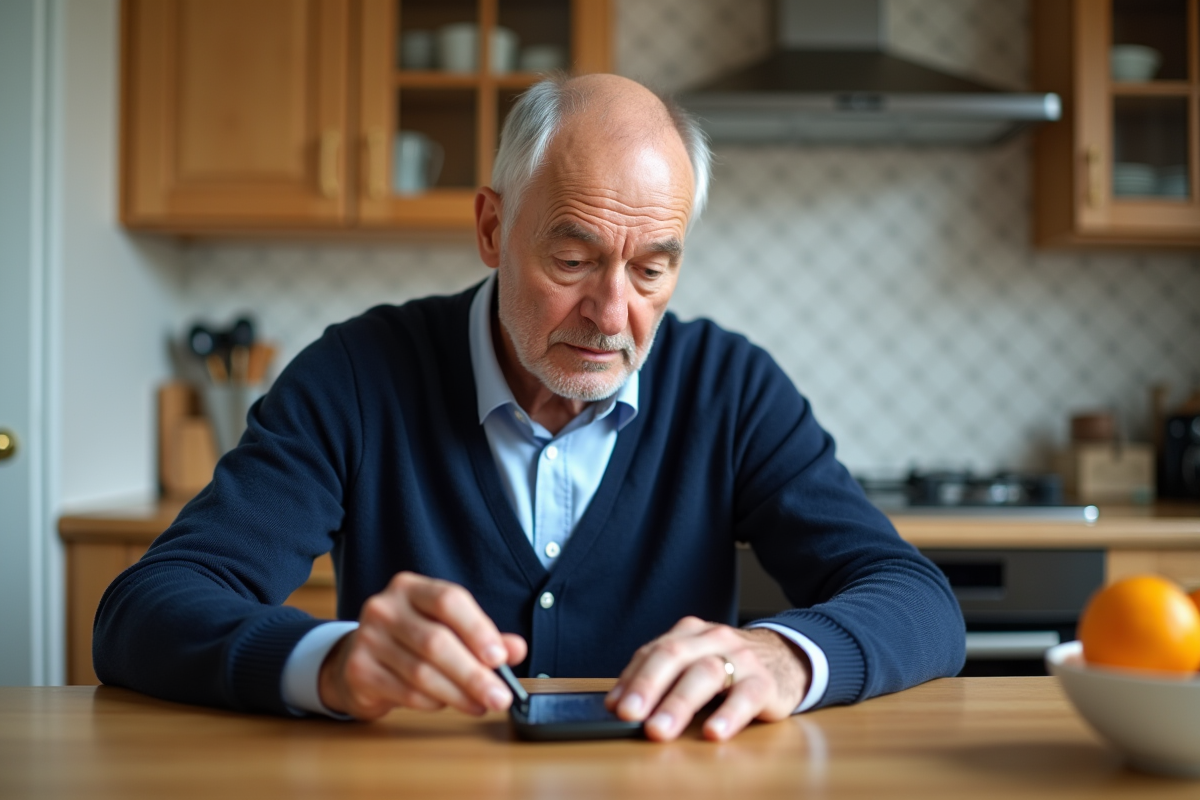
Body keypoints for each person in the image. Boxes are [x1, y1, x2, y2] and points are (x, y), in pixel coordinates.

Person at [94, 74, 964, 742]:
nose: (612, 313)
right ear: (490, 230)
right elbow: (146, 608)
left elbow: (916, 600)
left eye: (652, 268)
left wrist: (784, 657)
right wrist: (330, 662)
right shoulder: (356, 375)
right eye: (574, 259)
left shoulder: (730, 388)